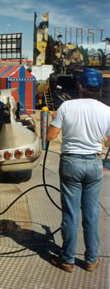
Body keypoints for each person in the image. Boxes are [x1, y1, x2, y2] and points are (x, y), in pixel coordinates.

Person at [47, 94, 110, 273]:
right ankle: (91, 260)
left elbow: (51, 136)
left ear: (80, 87)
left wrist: (53, 120)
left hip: (71, 163)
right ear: (99, 89)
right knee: (91, 213)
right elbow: (108, 141)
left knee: (71, 213)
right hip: (94, 163)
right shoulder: (107, 111)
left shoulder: (66, 106)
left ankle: (67, 259)